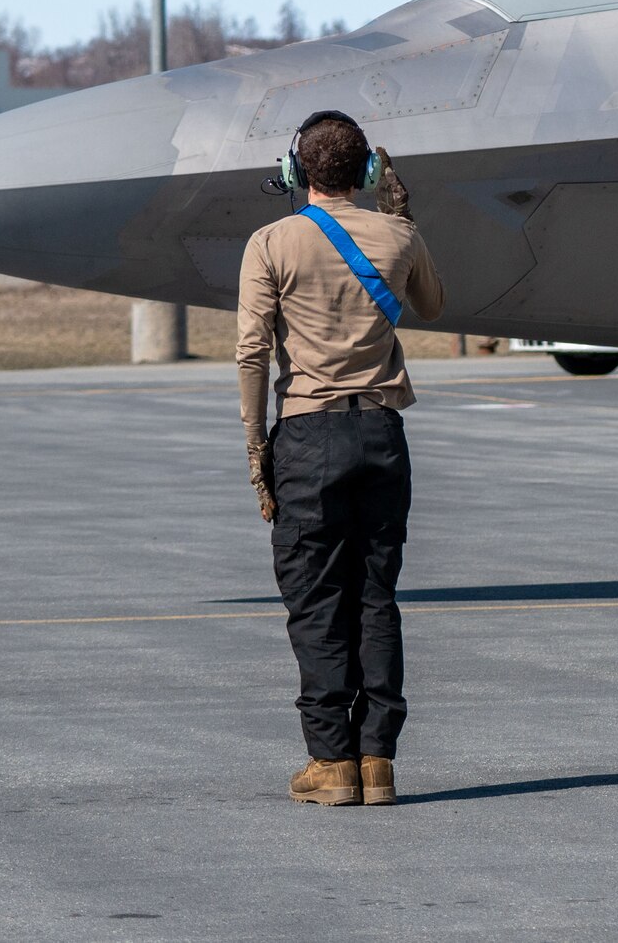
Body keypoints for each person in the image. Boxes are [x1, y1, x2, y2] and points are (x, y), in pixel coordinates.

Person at [237, 110, 445, 807]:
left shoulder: (271, 241)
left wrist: (254, 445)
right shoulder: (399, 234)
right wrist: (402, 219)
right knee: (376, 594)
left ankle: (330, 762)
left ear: (297, 172)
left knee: (316, 597)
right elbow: (434, 303)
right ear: (367, 173)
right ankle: (378, 758)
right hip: (382, 433)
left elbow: (252, 352)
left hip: (307, 434)